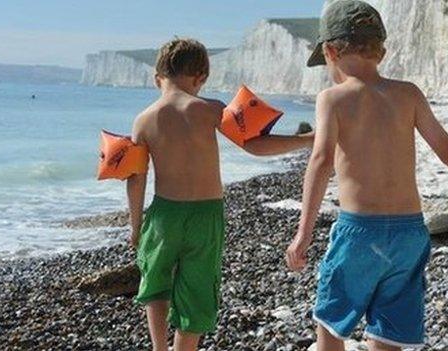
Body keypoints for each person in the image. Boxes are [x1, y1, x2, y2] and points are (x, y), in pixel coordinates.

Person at [285, 1, 448, 350]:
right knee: (389, 331)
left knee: (331, 325)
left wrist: (303, 233)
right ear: (381, 50)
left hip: (360, 233)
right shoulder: (408, 93)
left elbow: (321, 162)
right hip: (411, 233)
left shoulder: (332, 98)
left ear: (331, 51)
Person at [127, 38, 313, 351]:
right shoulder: (210, 109)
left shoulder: (144, 120)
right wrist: (308, 139)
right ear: (200, 78)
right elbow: (254, 145)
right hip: (205, 214)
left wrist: (135, 225)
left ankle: (160, 347)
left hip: (163, 215)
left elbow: (135, 178)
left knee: (156, 280)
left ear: (156, 77)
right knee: (198, 287)